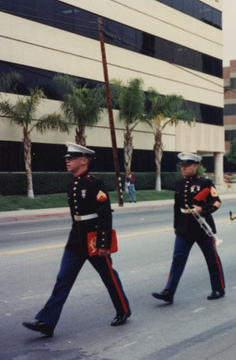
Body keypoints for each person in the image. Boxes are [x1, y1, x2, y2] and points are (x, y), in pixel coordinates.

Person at [22, 143, 131, 337]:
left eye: (70, 158)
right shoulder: (71, 184)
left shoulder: (95, 183)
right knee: (63, 280)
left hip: (93, 240)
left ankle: (123, 310)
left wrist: (103, 244)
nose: (67, 161)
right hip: (76, 240)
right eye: (67, 158)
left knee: (108, 276)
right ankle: (47, 322)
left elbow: (105, 215)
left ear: (84, 160)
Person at [152, 153, 225, 304]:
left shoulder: (205, 183)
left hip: (202, 227)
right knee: (177, 260)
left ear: (195, 166)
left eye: (186, 166)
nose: (183, 168)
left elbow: (216, 202)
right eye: (182, 166)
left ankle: (218, 288)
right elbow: (176, 207)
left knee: (212, 259)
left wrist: (203, 209)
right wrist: (175, 226)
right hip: (184, 227)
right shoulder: (179, 183)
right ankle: (169, 292)